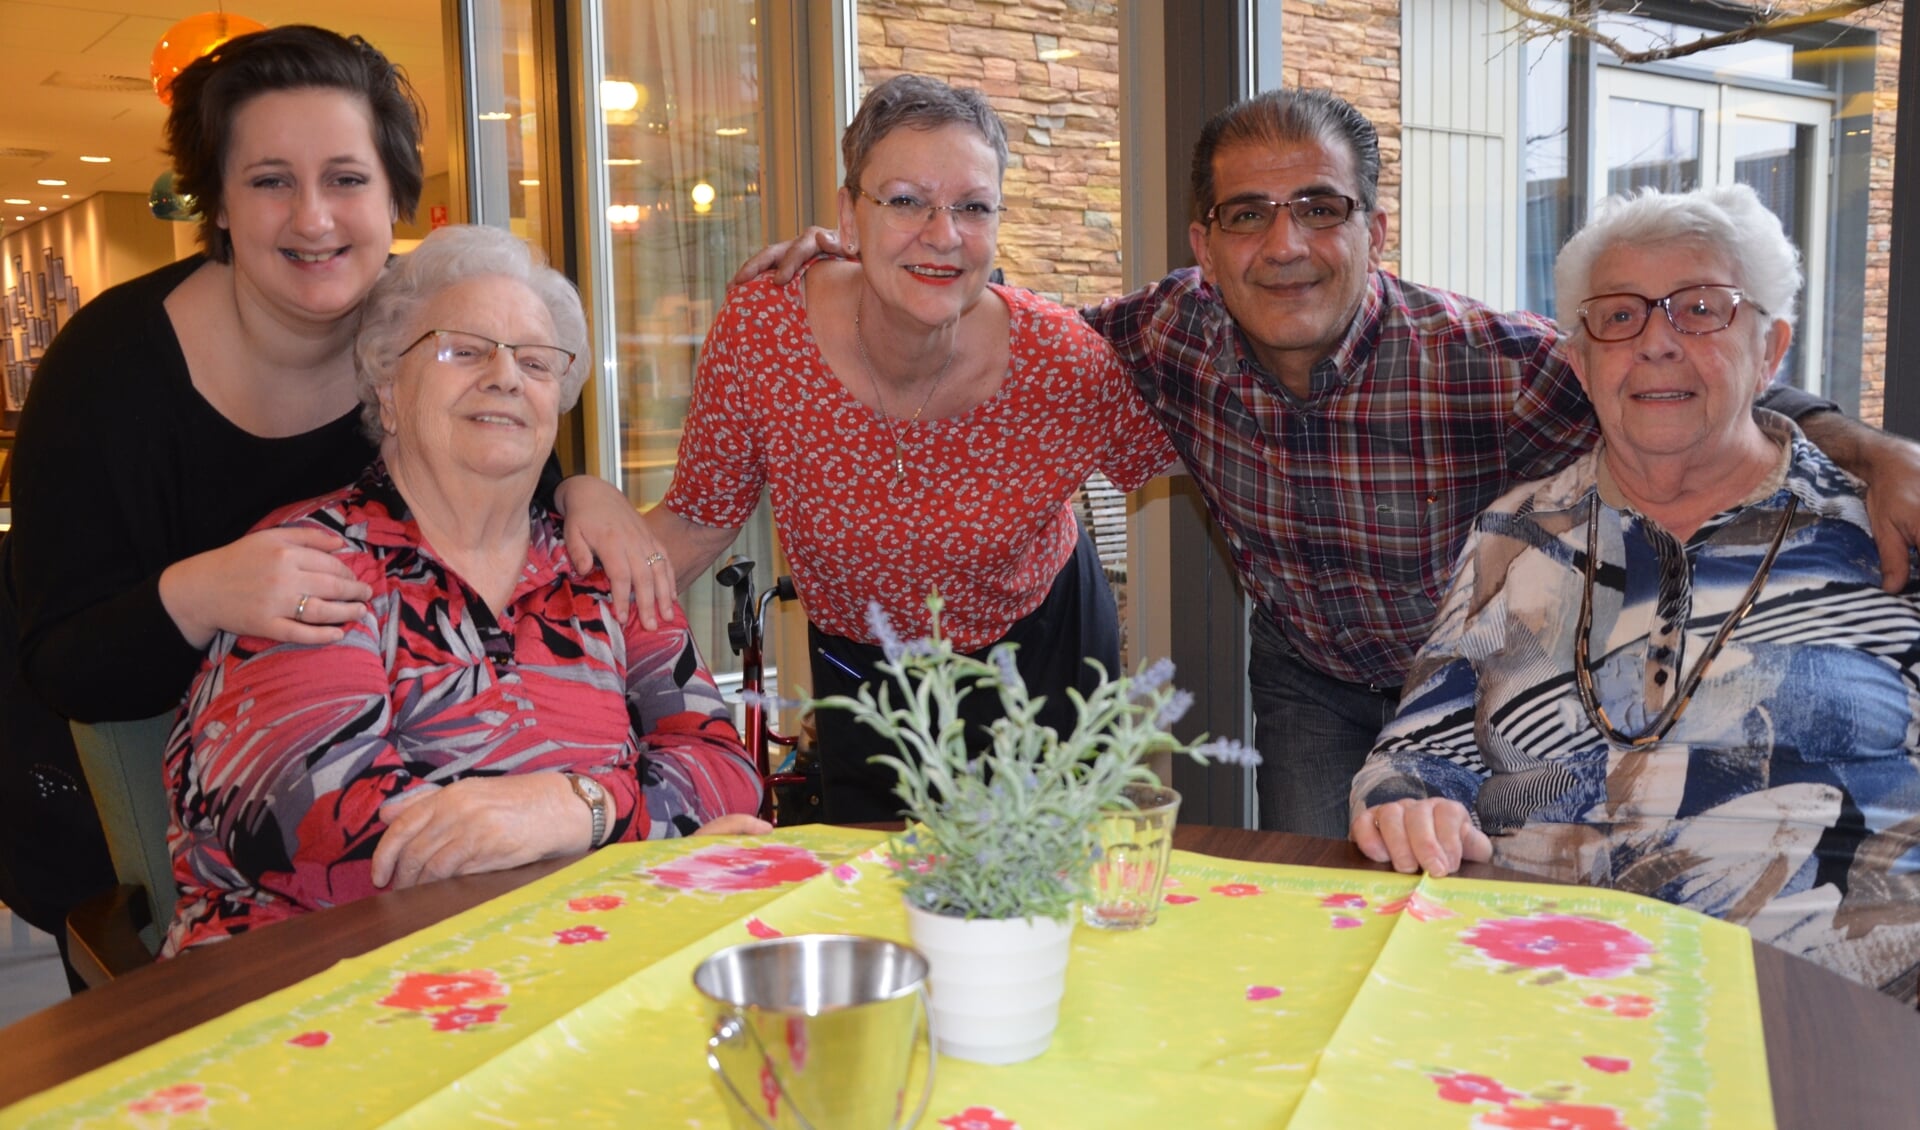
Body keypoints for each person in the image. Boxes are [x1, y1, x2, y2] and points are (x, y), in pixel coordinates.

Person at [739, 84, 1920, 838]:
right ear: (1203, 242)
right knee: (1328, 902)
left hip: (1473, 689)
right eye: (1247, 215)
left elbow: (1669, 379)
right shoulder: (1159, 334)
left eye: (1320, 206)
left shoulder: (1487, 359)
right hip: (1308, 680)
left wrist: (1866, 447)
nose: (1285, 243)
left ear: (1374, 228)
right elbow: (987, 324)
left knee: (1474, 903)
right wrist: (857, 264)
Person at [0, 26, 672, 984]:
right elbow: (61, 663)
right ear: (219, 205)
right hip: (159, 812)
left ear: (395, 195)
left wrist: (581, 488)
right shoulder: (107, 376)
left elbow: (507, 469)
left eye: (347, 179)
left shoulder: (428, 339)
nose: (314, 217)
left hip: (464, 866)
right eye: (271, 180)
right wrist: (197, 591)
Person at [1349, 185, 1920, 1002]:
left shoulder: (1882, 526)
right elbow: (1413, 755)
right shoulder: (1516, 533)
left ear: (1771, 349)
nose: (1656, 342)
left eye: (1699, 310)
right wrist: (1407, 804)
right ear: (1580, 363)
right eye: (1618, 317)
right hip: (1532, 993)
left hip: (1823, 1026)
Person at [162, 225, 766, 954]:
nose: (506, 377)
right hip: (312, 991)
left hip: (572, 963)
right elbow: (333, 840)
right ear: (388, 388)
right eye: (464, 350)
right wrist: (647, 840)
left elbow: (727, 773)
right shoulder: (311, 561)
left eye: (536, 363)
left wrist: (577, 810)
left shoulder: (603, 567)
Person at [646, 75, 1176, 822]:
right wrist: (540, 600)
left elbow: (1194, 449)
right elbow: (698, 520)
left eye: (972, 206)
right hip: (864, 665)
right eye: (903, 200)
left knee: (1047, 896)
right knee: (877, 888)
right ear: (847, 216)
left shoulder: (1059, 362)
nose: (943, 232)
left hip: (1041, 652)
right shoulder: (766, 331)